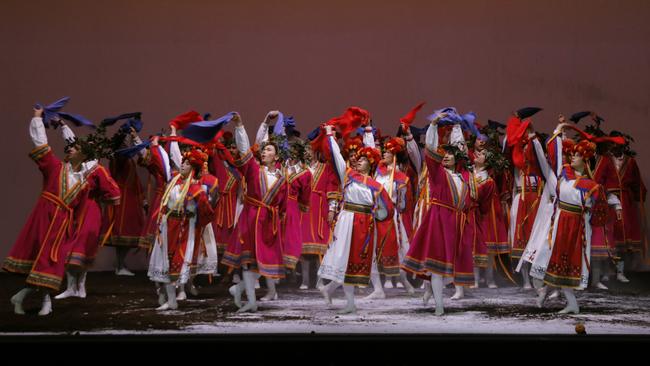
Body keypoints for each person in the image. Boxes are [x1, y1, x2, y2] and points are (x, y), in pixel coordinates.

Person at [4, 106, 120, 315]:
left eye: (74, 148)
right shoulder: (55, 168)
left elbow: (96, 174)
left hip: (62, 223)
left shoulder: (84, 180)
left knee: (52, 262)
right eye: (69, 147)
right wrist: (38, 118)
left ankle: (29, 298)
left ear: (84, 154)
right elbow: (41, 144)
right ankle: (41, 301)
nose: (69, 149)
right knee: (43, 260)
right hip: (44, 218)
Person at [317, 124, 394, 314]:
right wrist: (330, 135)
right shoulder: (348, 175)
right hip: (347, 221)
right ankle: (349, 302)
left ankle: (330, 290)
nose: (358, 162)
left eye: (363, 159)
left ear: (370, 163)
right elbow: (336, 158)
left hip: (365, 224)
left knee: (356, 262)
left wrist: (376, 216)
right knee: (344, 259)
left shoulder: (376, 186)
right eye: (357, 159)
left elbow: (387, 210)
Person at [223, 112, 288, 312]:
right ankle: (251, 301)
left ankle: (240, 289)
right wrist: (241, 125)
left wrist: (279, 223)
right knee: (250, 262)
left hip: (268, 224)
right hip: (251, 219)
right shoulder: (253, 169)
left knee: (264, 263)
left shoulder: (281, 178)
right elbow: (245, 148)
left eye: (268, 149)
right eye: (264, 149)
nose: (264, 151)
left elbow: (283, 205)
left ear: (276, 156)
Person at [147, 147, 217, 310]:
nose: (183, 165)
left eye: (187, 163)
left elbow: (206, 212)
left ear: (193, 168)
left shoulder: (195, 188)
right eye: (182, 162)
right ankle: (167, 297)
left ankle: (173, 298)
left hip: (183, 229)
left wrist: (193, 214)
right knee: (164, 261)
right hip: (167, 226)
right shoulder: (173, 180)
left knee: (175, 262)